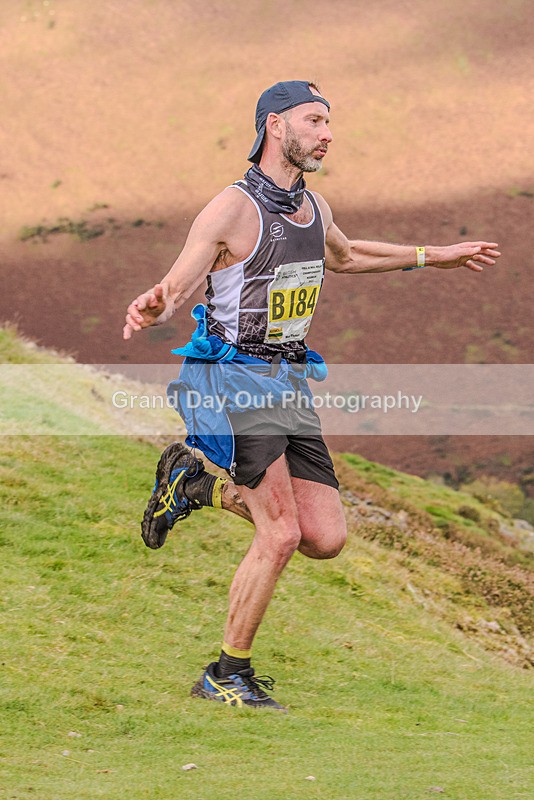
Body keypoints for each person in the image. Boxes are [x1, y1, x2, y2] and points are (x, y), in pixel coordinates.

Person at [123, 80, 500, 712]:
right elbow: (178, 286)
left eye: (329, 122)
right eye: (315, 120)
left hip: (288, 382)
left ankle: (194, 487)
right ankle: (225, 673)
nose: (328, 133)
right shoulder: (231, 210)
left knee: (323, 536)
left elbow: (348, 258)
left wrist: (438, 256)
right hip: (234, 379)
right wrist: (154, 304)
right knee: (279, 535)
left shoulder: (314, 210)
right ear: (276, 126)